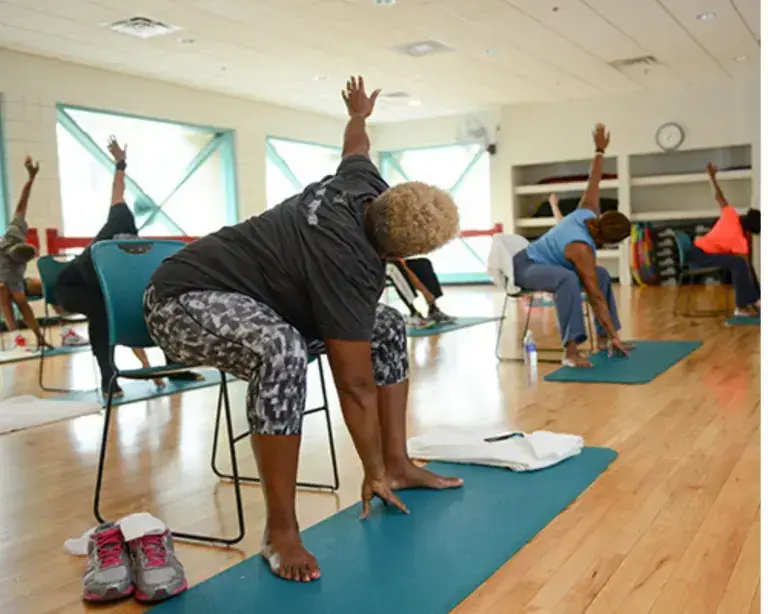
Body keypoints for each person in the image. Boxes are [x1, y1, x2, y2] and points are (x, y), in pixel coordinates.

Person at [144, 76, 463, 584]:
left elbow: (355, 145)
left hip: (258, 297)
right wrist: (368, 468)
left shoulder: (362, 186)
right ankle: (281, 530)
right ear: (399, 256)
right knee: (282, 350)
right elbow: (354, 384)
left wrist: (359, 114)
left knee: (387, 324)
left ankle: (401, 463)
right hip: (180, 302)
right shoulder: (349, 264)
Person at [55, 137, 200, 397]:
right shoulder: (109, 242)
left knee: (155, 302)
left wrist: (121, 164)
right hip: (71, 286)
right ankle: (109, 378)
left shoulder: (127, 227)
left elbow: (118, 192)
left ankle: (174, 367)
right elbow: (119, 312)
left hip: (99, 284)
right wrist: (143, 364)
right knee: (101, 311)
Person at [513, 123, 633, 368]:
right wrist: (616, 335)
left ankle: (602, 340)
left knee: (599, 275)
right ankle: (570, 351)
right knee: (567, 279)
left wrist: (600, 150)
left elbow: (594, 180)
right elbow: (596, 299)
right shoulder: (581, 249)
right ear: (607, 241)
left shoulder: (588, 211)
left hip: (547, 264)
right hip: (526, 266)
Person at [0, 157, 86, 350]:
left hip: (15, 281)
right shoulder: (9, 269)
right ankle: (16, 337)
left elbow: (22, 203)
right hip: (3, 282)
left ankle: (66, 332)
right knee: (3, 290)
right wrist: (39, 335)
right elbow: (23, 306)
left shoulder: (14, 232)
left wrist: (31, 178)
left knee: (48, 285)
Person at [687, 162, 760, 316]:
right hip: (700, 256)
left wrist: (712, 177)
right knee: (739, 263)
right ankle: (742, 307)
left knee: (739, 264)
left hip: (695, 250)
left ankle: (751, 302)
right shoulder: (739, 240)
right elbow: (747, 268)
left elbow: (718, 196)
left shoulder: (731, 215)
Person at [387, 257, 456, 327]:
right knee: (395, 268)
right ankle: (414, 313)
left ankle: (433, 310)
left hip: (391, 258)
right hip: (380, 263)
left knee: (424, 263)